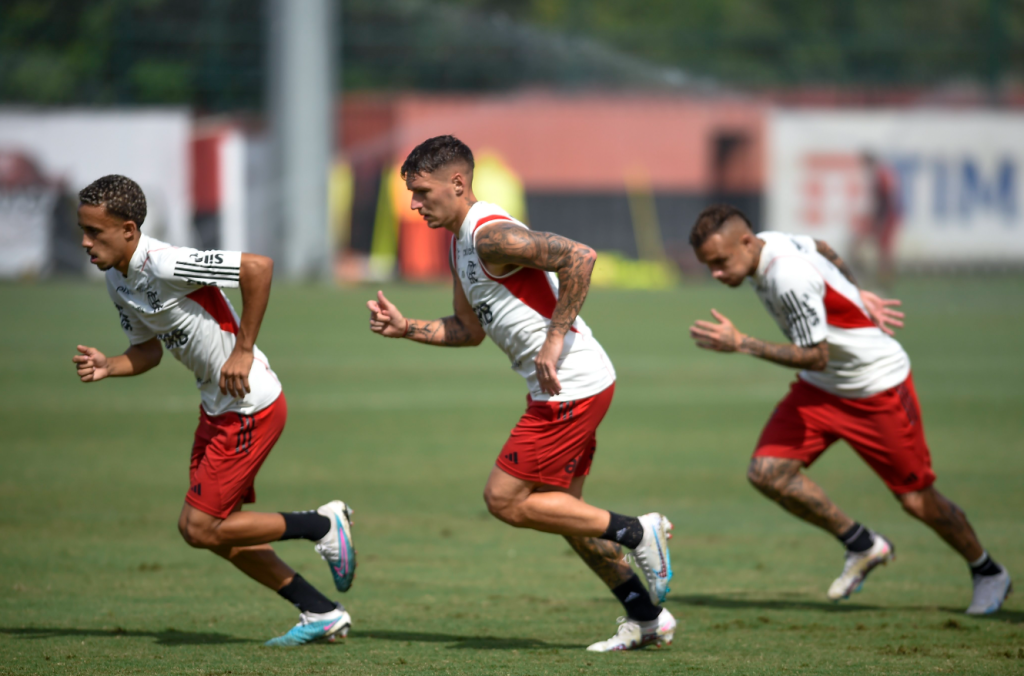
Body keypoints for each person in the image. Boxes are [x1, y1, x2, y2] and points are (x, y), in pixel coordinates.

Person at [367, 136, 675, 651]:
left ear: (458, 184)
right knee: (564, 514)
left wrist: (554, 339)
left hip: (570, 386)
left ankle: (639, 532)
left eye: (421, 192)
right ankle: (645, 618)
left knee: (505, 499)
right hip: (565, 387)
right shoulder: (459, 243)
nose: (414, 204)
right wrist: (407, 328)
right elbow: (468, 330)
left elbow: (581, 256)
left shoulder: (491, 236)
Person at [72, 175, 357, 645]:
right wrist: (110, 365)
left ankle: (324, 524)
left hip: (249, 404)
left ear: (127, 229)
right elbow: (147, 352)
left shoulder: (164, 261)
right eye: (81, 231)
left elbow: (258, 268)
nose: (85, 242)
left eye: (94, 232)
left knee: (201, 526)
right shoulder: (117, 282)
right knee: (218, 532)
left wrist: (242, 350)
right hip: (217, 406)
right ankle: (320, 610)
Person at [686, 204, 1011, 615]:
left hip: (875, 387)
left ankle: (988, 571)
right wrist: (856, 295)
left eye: (721, 262)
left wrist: (742, 343)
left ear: (748, 242)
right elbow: (822, 247)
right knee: (767, 473)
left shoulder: (786, 275)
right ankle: (862, 544)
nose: (716, 274)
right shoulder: (776, 242)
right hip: (823, 390)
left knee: (916, 500)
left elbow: (816, 355)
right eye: (709, 265)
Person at [850, 152, 901, 288]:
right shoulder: (881, 173)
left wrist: (879, 221)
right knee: (879, 249)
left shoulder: (881, 174)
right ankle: (880, 278)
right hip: (884, 215)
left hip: (886, 216)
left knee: (883, 250)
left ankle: (883, 280)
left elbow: (886, 199)